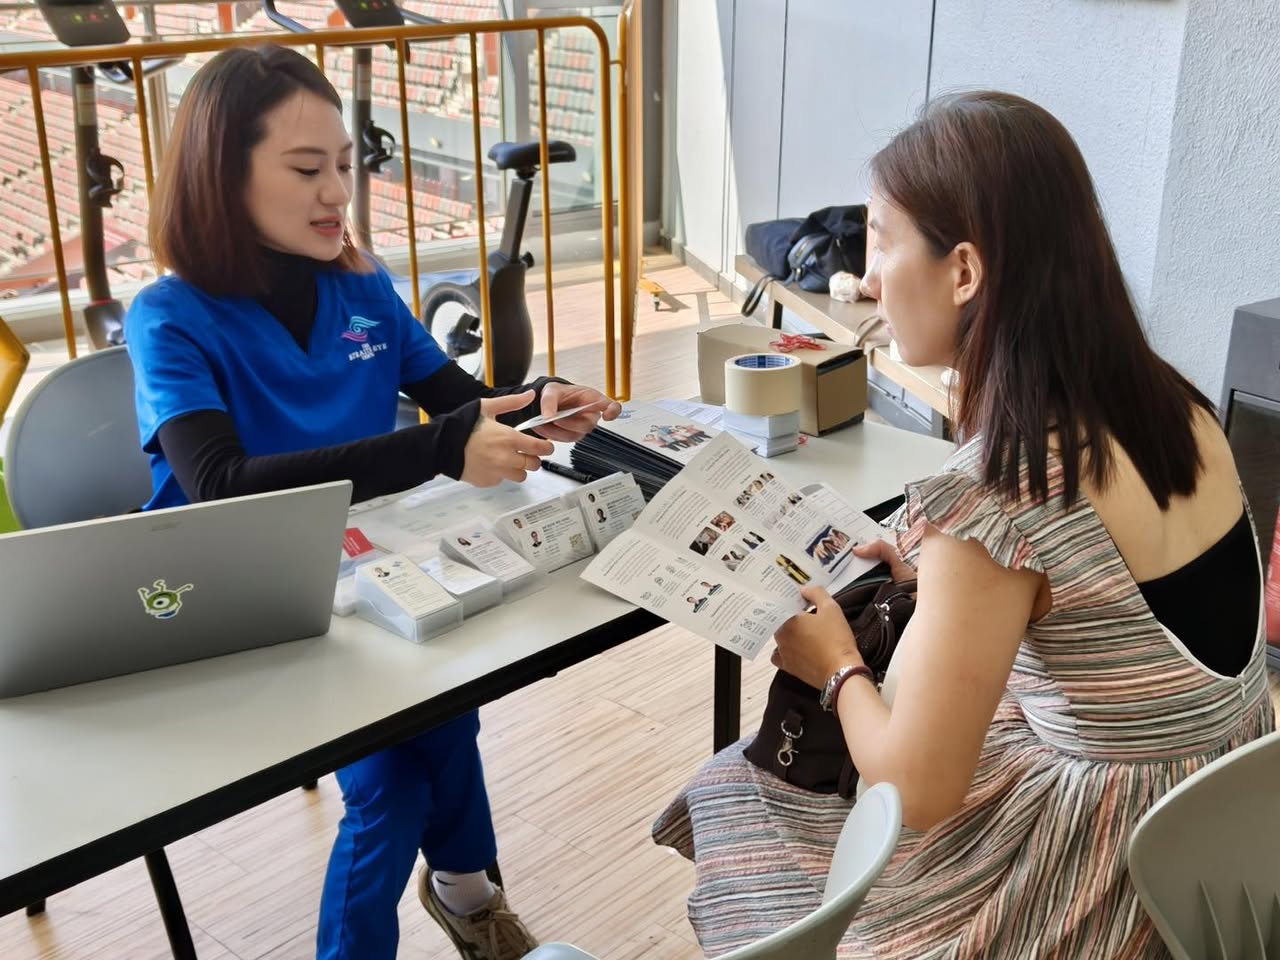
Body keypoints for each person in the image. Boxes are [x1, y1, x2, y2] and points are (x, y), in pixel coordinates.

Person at [653, 90, 1274, 958]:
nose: (869, 277)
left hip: (1107, 869)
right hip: (1224, 834)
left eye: (881, 239)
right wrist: (938, 582)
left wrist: (833, 665)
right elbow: (1118, 606)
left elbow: (919, 787)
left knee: (739, 796)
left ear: (965, 272)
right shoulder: (1175, 404)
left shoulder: (1000, 487)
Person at [126, 45, 621, 960]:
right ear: (221, 176)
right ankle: (467, 895)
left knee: (444, 705)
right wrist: (442, 446)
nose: (336, 194)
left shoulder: (361, 287)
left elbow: (456, 399)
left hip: (357, 568)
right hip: (226, 597)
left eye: (345, 166)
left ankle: (467, 895)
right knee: (399, 772)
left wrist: (538, 401)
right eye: (305, 169)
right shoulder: (170, 317)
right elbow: (221, 484)